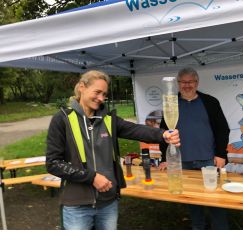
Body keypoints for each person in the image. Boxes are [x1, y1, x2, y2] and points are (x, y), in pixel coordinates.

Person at [46, 70, 180, 230]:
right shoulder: (62, 119)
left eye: (104, 94)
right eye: (97, 92)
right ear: (82, 87)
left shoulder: (108, 119)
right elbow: (53, 163)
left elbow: (135, 130)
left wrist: (162, 134)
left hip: (108, 203)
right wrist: (92, 177)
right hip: (77, 205)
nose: (101, 98)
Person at [159, 67, 230, 230]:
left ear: (196, 83)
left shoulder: (210, 102)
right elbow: (163, 133)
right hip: (182, 161)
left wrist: (220, 154)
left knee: (215, 199)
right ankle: (198, 228)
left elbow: (222, 130)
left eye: (190, 81)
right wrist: (164, 159)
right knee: (192, 200)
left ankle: (221, 229)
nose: (187, 85)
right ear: (178, 83)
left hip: (208, 160)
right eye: (183, 82)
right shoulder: (171, 104)